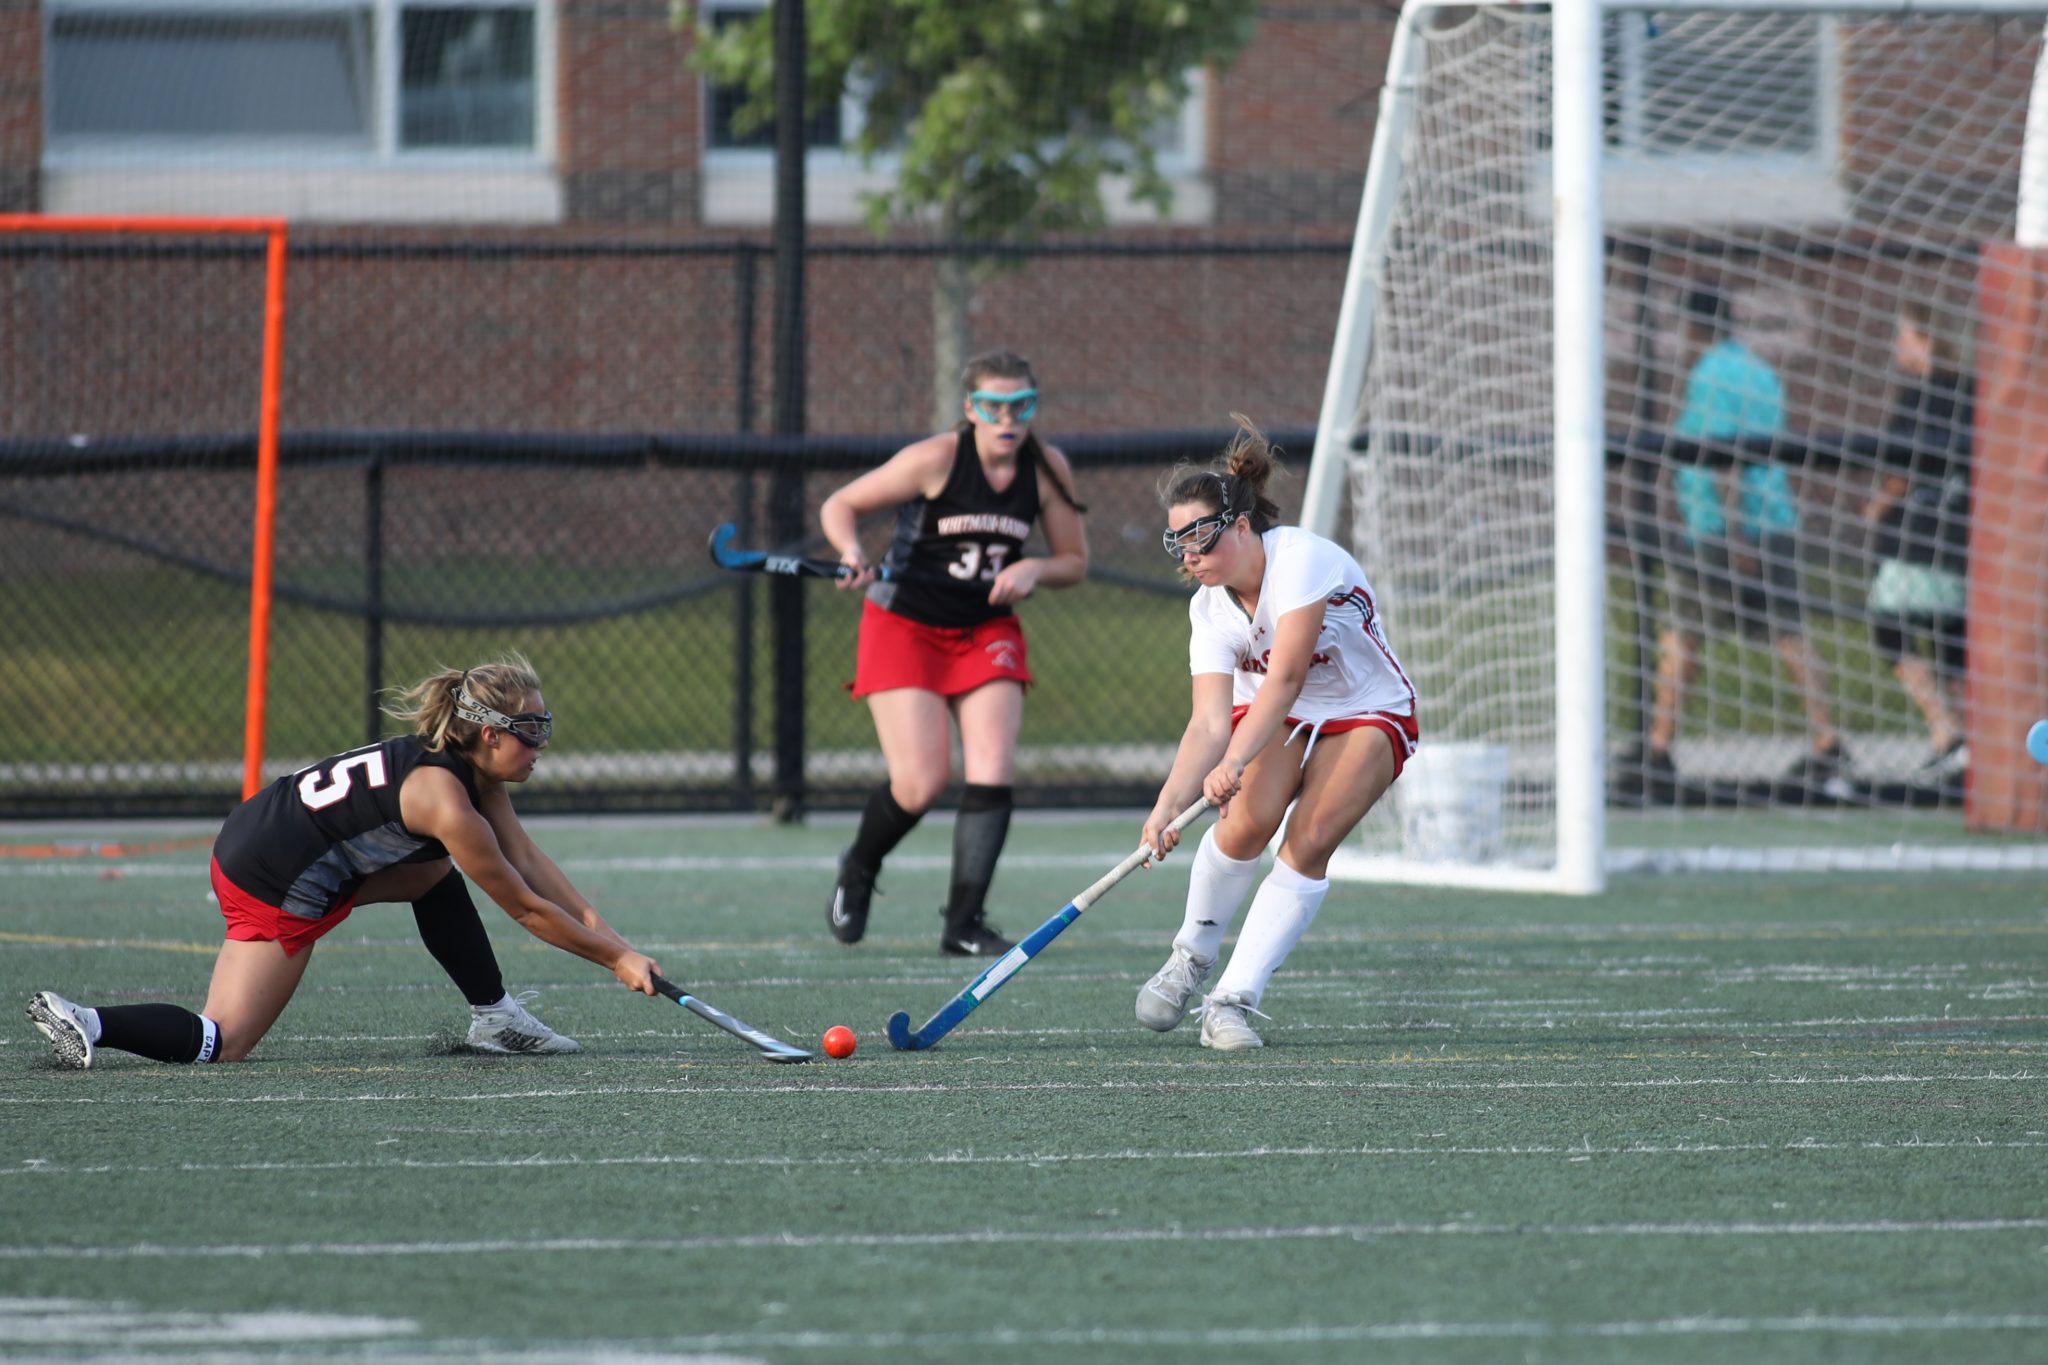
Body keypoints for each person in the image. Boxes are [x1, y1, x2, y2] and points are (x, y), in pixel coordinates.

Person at [25, 654, 663, 1069]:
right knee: (224, 1042)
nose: (541, 746)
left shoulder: (470, 769)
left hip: (262, 832)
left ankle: (495, 1018)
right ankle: (91, 1021)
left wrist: (611, 936)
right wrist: (613, 959)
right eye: (531, 732)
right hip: (271, 877)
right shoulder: (447, 804)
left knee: (431, 876)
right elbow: (523, 906)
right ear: (491, 734)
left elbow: (526, 859)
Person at [1135, 416, 1417, 1051]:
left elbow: (1287, 675)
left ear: (1240, 526)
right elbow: (1208, 721)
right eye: (1177, 543)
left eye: (1201, 537)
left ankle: (1231, 1003)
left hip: (1366, 706)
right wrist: (1167, 805)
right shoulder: (1207, 609)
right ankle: (1190, 955)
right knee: (1243, 824)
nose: (1190, 556)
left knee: (1310, 837)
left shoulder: (1300, 560)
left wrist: (1234, 761)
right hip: (1276, 713)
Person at [819, 349, 1089, 956]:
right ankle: (859, 866)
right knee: (921, 782)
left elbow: (1075, 562)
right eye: (994, 406)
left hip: (986, 627)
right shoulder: (936, 458)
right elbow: (841, 505)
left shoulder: (1047, 469)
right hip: (904, 623)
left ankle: (963, 924)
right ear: (971, 409)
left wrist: (1037, 568)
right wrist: (849, 550)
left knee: (992, 766)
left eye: (1020, 405)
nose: (1007, 419)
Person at [1622, 287, 1843, 801]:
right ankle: (1828, 738)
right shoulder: (1761, 372)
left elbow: (1727, 456)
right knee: (1790, 633)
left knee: (1682, 635)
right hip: (1773, 521)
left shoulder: (1710, 375)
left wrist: (1736, 534)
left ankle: (1658, 748)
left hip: (1723, 530)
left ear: (1695, 329)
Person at [1864, 299, 1972, 781]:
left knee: (1892, 632)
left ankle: (1947, 732)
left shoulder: (1920, 398)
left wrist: (1878, 507)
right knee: (1950, 643)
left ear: (1926, 339)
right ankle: (1964, 747)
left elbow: (1900, 472)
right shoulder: (1976, 392)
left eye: (1904, 335)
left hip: (1916, 542)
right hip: (1962, 543)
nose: (1897, 345)